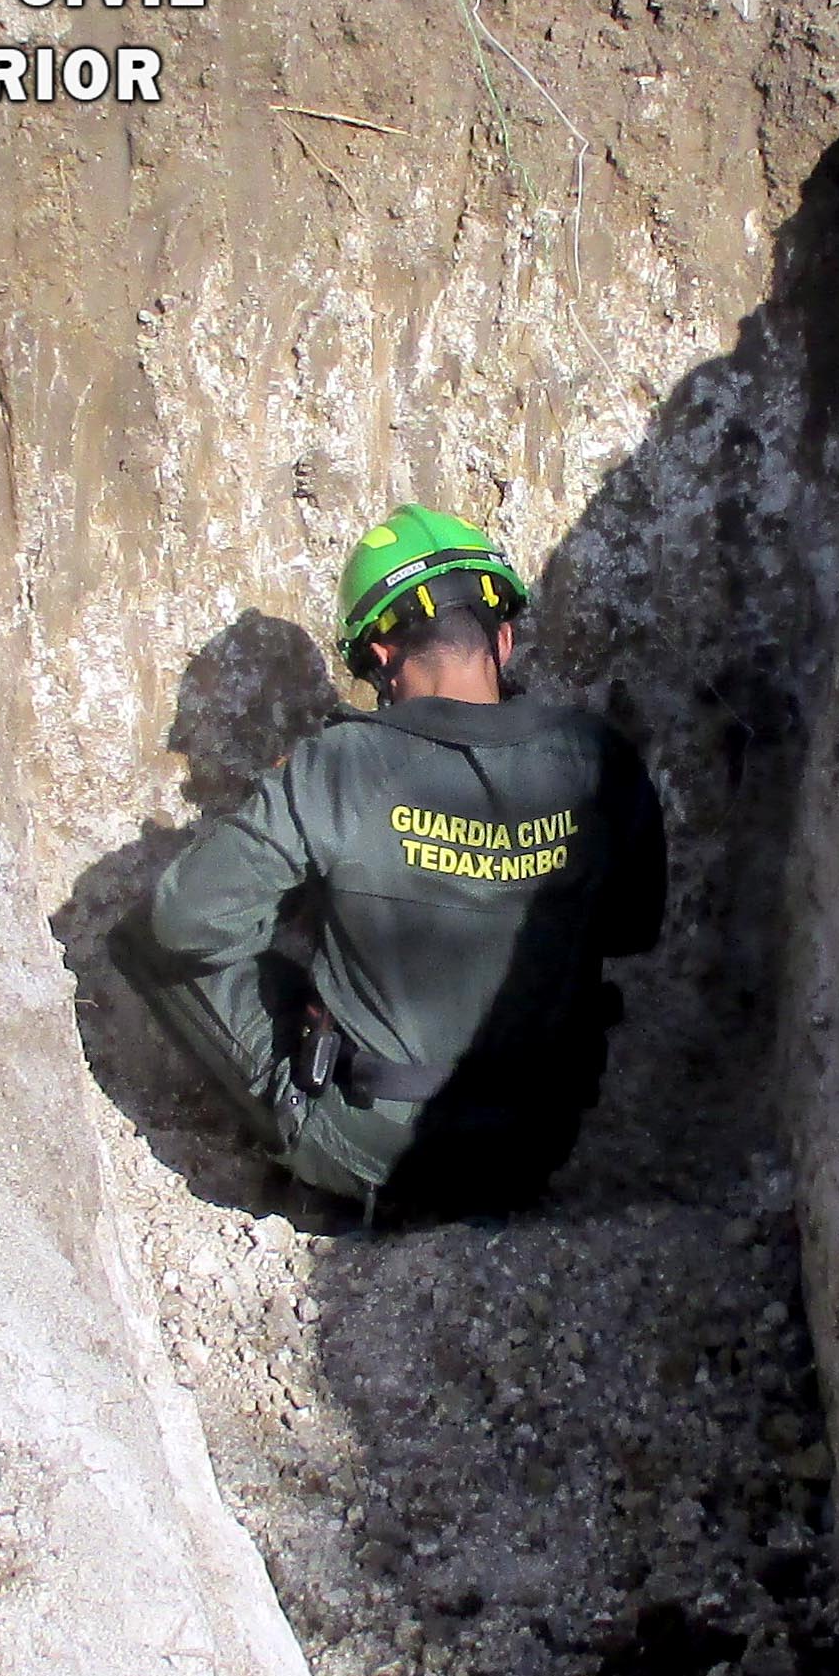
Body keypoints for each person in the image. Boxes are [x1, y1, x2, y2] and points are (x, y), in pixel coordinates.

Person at [109, 505, 666, 1215]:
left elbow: (186, 921)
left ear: (378, 655)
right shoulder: (597, 757)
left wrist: (316, 981)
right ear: (501, 636)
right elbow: (631, 928)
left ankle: (320, 1155)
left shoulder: (342, 763)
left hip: (375, 1155)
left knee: (152, 941)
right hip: (535, 1142)